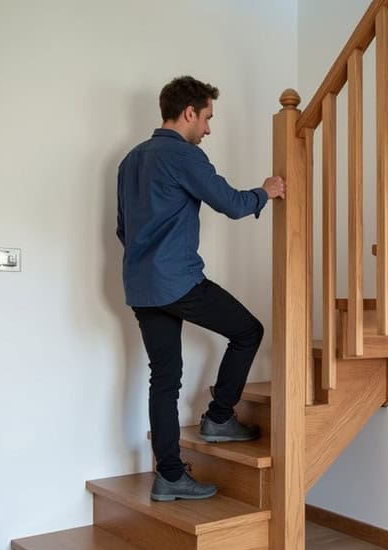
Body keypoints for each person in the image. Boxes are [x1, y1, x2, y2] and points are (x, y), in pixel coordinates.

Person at [116, 76, 286, 502]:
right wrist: (265, 192)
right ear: (189, 112)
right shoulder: (183, 155)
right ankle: (220, 417)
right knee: (248, 331)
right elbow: (229, 203)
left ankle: (169, 476)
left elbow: (123, 229)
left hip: (141, 286)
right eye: (207, 117)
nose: (208, 128)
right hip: (177, 280)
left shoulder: (131, 160)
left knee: (164, 379)